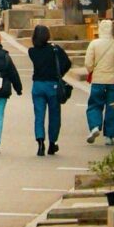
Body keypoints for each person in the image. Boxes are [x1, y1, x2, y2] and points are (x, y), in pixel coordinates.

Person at [28, 24, 72, 156]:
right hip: (52, 85)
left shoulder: (32, 51)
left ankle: (40, 142)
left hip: (37, 85)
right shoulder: (54, 49)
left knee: (39, 115)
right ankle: (52, 143)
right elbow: (67, 63)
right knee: (54, 115)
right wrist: (59, 75)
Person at [84, 18, 114, 146]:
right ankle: (109, 136)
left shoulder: (94, 44)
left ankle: (95, 126)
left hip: (98, 80)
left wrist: (92, 70)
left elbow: (88, 64)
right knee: (113, 107)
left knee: (95, 105)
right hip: (113, 80)